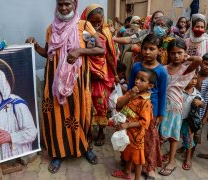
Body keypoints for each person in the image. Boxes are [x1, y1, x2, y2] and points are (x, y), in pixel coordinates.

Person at [26, 0, 105, 173]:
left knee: (81, 112)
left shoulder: (84, 26)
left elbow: (100, 49)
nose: (64, 8)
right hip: (54, 80)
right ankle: (58, 153)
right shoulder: (51, 28)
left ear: (74, 5)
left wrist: (80, 51)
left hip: (78, 80)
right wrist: (35, 45)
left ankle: (84, 148)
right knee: (56, 114)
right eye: (60, 4)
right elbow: (48, 53)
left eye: (67, 4)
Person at [159, 38, 202, 176]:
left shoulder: (186, 69)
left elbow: (199, 60)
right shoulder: (163, 69)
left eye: (180, 53)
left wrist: (187, 58)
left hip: (176, 107)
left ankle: (171, 162)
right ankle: (155, 156)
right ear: (168, 53)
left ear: (185, 53)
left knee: (173, 135)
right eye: (173, 53)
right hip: (161, 106)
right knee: (158, 133)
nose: (176, 56)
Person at [128, 34, 167, 179]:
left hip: (152, 110)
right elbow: (130, 86)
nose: (147, 52)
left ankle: (148, 166)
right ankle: (132, 163)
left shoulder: (162, 71)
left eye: (152, 49)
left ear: (160, 51)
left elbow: (163, 93)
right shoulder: (136, 67)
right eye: (145, 48)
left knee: (150, 139)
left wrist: (160, 114)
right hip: (135, 108)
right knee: (134, 137)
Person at [80, 4, 118, 147]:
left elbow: (109, 56)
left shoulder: (104, 35)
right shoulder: (79, 34)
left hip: (102, 76)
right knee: (87, 104)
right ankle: (88, 131)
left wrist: (114, 75)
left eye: (99, 21)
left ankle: (101, 131)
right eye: (93, 22)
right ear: (85, 19)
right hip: (86, 75)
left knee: (101, 105)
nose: (96, 25)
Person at [111, 68, 155, 180]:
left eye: (142, 80)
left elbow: (145, 122)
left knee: (138, 160)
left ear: (150, 86)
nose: (137, 81)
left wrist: (128, 125)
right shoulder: (132, 93)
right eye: (137, 78)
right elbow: (118, 105)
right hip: (127, 132)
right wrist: (129, 95)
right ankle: (127, 172)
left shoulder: (145, 102)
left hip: (136, 136)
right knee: (128, 153)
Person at [181, 73, 205, 170]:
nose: (193, 81)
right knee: (173, 138)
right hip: (177, 119)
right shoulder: (180, 90)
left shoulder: (197, 93)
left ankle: (188, 158)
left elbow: (203, 104)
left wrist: (200, 103)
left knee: (188, 139)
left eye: (195, 79)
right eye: (191, 78)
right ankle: (171, 153)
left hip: (188, 121)